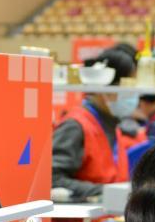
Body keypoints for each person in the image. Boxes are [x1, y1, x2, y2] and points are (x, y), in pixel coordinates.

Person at [51, 46, 143, 201]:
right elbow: (53, 179)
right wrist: (106, 192)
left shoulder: (111, 122)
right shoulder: (76, 126)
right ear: (105, 87)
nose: (133, 95)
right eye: (127, 87)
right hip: (81, 215)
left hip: (109, 213)